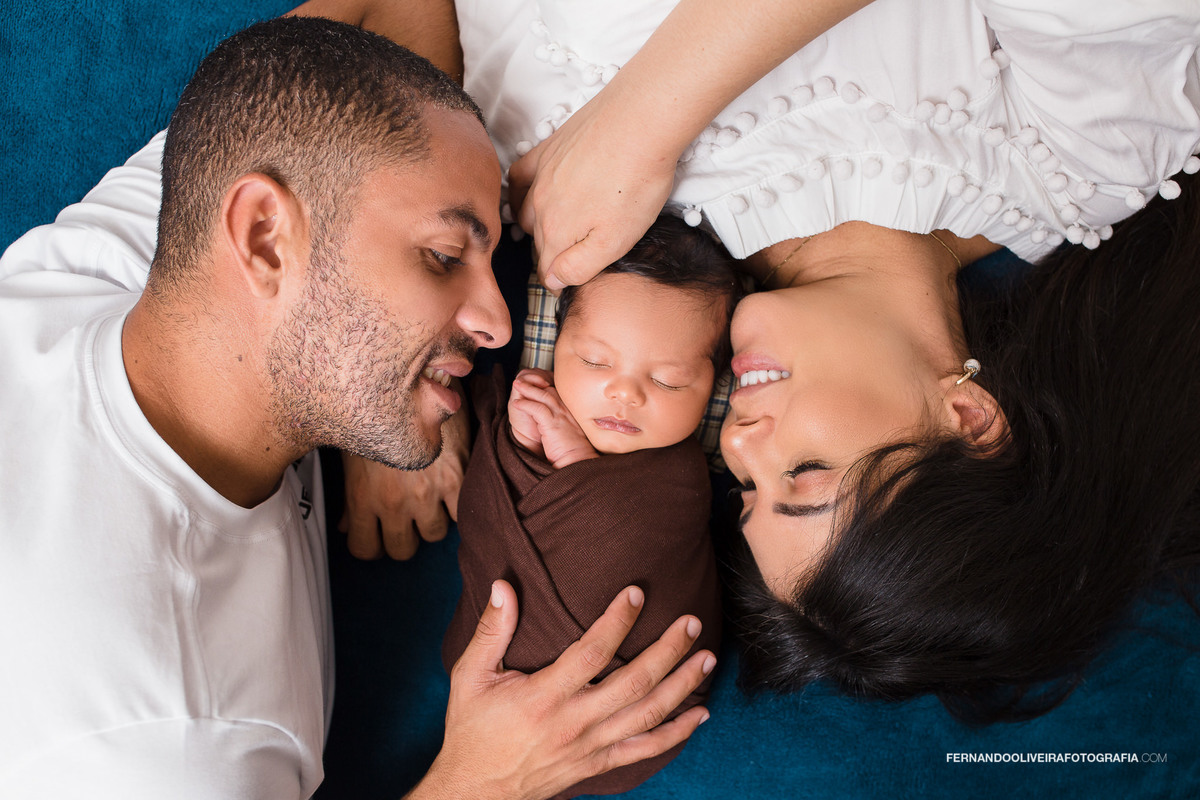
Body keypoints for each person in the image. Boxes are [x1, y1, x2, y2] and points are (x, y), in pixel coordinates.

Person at [0, 17, 716, 798]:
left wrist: (372, 414)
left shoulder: (107, 271)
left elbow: (388, 18)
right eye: (443, 257)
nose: (500, 325)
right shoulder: (167, 744)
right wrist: (481, 782)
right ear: (267, 239)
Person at [447, 0, 1200, 721]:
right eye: (803, 476)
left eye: (745, 488)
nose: (738, 442)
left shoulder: (592, 243)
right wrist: (643, 120)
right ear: (969, 417)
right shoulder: (1086, 155)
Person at [441, 216, 738, 796]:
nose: (625, 392)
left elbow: (646, 535)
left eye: (671, 381)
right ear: (558, 348)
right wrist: (520, 442)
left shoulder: (680, 477)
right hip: (486, 687)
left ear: (713, 390)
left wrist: (573, 459)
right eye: (596, 363)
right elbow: (489, 505)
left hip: (640, 702)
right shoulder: (531, 408)